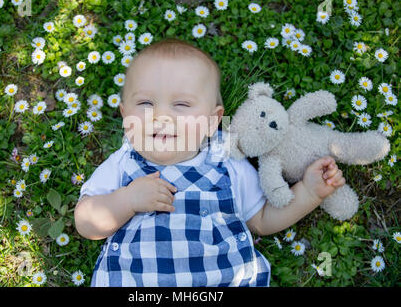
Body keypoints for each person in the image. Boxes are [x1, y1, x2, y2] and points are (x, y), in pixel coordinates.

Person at [74, 38, 345, 287]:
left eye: (181, 105)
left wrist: (308, 193)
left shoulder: (227, 162)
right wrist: (126, 201)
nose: (161, 116)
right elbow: (86, 222)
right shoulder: (124, 162)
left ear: (213, 121)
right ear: (125, 115)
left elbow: (262, 220)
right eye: (145, 103)